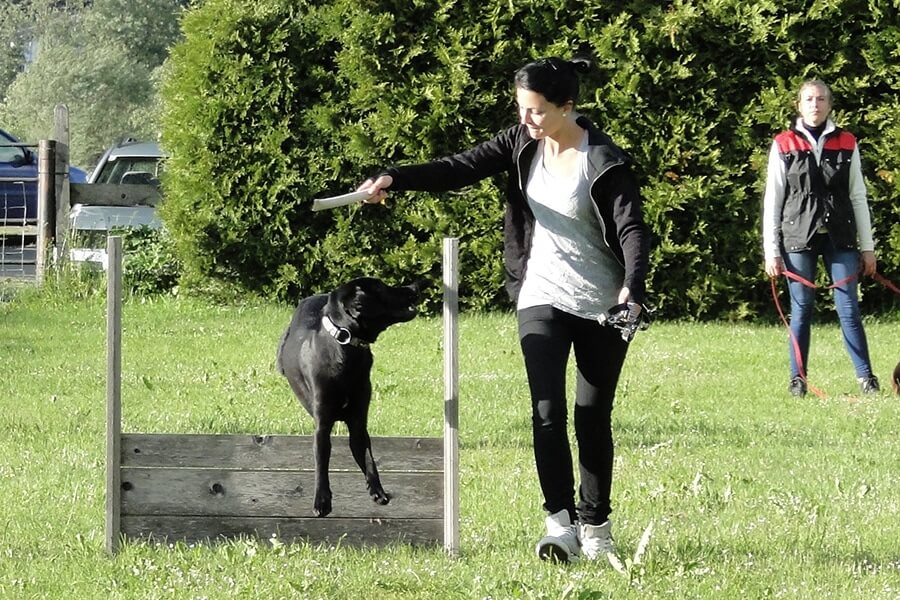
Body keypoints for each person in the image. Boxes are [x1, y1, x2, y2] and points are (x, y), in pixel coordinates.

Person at [356, 55, 651, 563]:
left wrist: (633, 287)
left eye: (536, 111)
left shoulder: (603, 160)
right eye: (521, 108)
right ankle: (559, 524)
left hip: (603, 303)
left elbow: (632, 229)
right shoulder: (521, 143)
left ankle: (596, 528)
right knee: (547, 412)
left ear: (566, 106)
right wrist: (392, 178)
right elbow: (459, 167)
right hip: (541, 292)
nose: (526, 119)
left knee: (591, 417)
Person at [762, 79, 880, 397]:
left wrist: (868, 248)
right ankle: (797, 380)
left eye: (821, 99)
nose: (815, 104)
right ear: (799, 105)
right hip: (797, 237)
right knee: (801, 309)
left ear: (829, 104)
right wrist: (771, 250)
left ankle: (866, 379)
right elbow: (773, 200)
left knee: (849, 308)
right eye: (809, 99)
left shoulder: (847, 141)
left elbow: (858, 196)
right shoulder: (783, 143)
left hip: (840, 237)